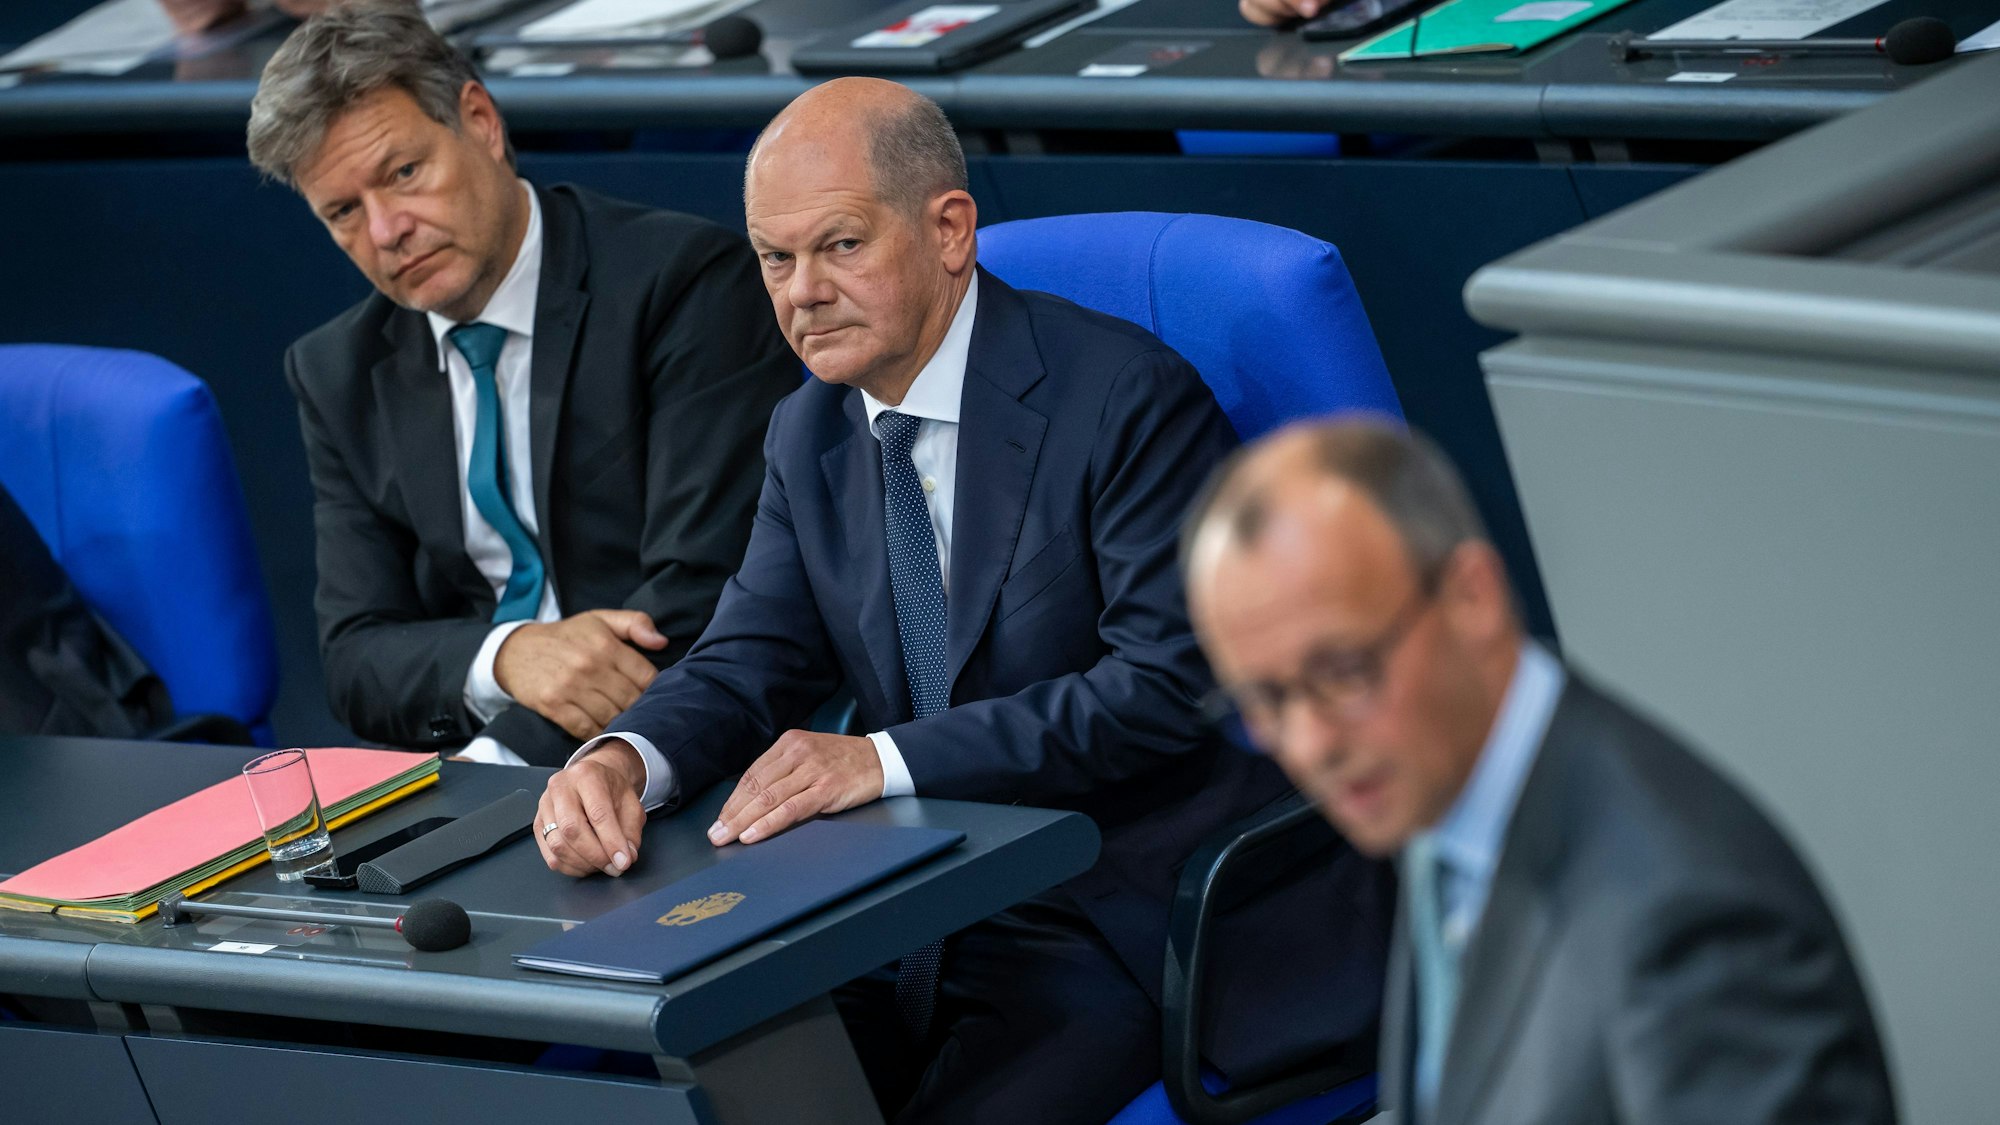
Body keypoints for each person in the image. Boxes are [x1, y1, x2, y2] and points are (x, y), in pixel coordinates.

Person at [532, 77, 1390, 1124]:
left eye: (838, 246)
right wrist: (625, 758)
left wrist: (878, 760)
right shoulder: (808, 429)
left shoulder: (1124, 396)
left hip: (1119, 909)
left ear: (947, 231)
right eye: (774, 257)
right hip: (910, 895)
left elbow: (1160, 689)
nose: (800, 291)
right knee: (725, 1086)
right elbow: (747, 656)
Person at [1183, 419, 1899, 1124]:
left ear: (1473, 597)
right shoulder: (1443, 795)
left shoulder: (1688, 917)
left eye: (1343, 671)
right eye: (1264, 699)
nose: (1309, 746)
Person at [249, 2, 797, 765]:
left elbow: (705, 598)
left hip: (687, 749)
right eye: (343, 211)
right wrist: (505, 656)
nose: (385, 231)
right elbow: (356, 659)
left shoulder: (679, 287)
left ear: (480, 122)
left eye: (404, 173)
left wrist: (499, 765)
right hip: (483, 758)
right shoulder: (338, 370)